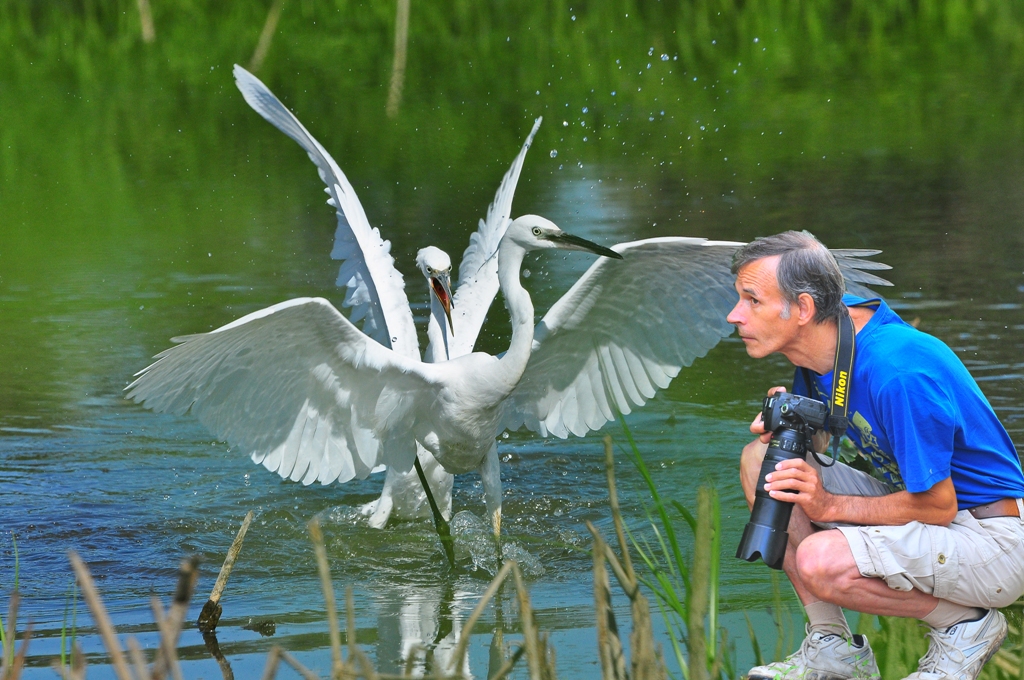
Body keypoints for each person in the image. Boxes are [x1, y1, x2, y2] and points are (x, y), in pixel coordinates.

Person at [727, 231, 1024, 680]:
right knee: (762, 461)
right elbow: (828, 442)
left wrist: (827, 506)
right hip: (930, 515)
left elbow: (939, 506)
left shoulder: (897, 372)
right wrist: (793, 425)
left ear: (804, 308)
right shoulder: (825, 343)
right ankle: (832, 648)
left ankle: (965, 626)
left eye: (752, 301)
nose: (735, 315)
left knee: (820, 561)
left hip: (991, 538)